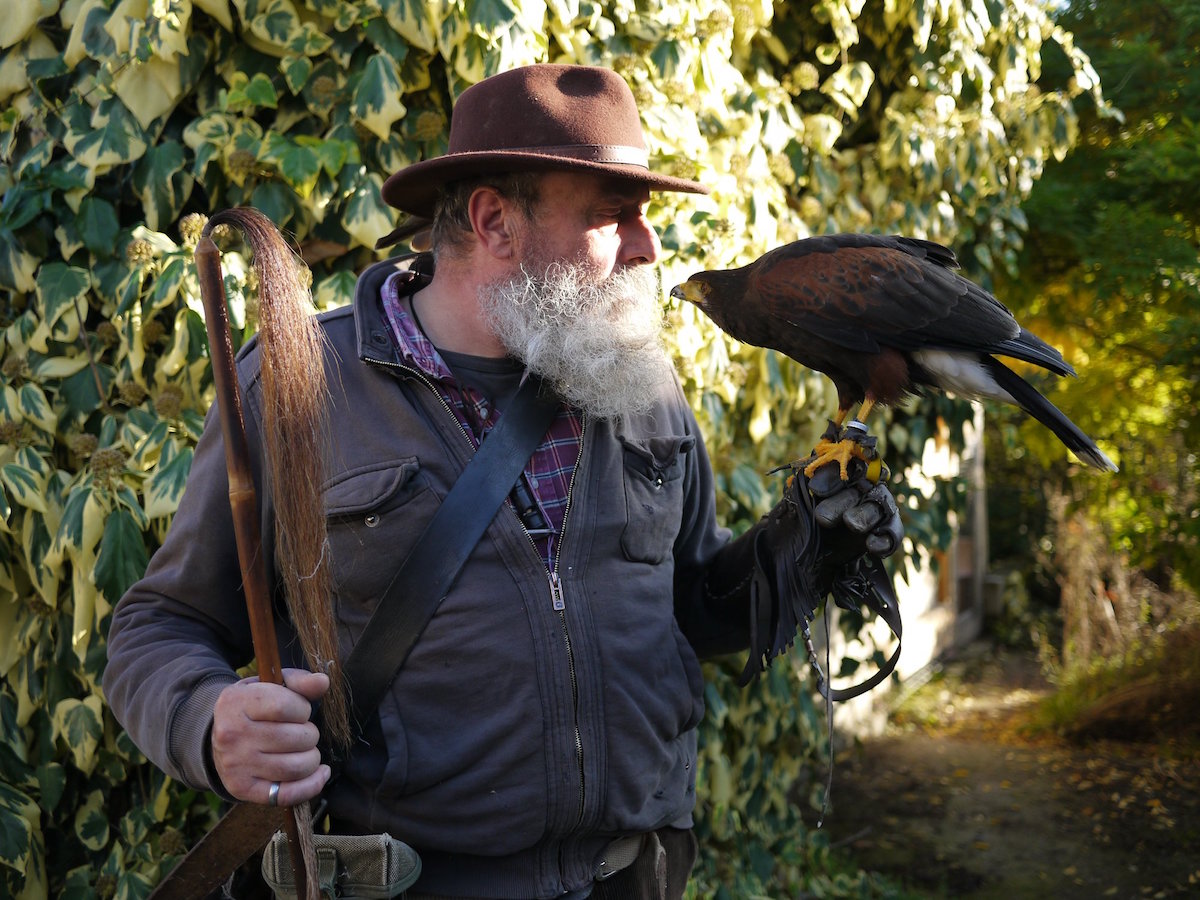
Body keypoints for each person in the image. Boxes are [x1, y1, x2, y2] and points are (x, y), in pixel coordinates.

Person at [104, 64, 902, 899]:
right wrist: (205, 720)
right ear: (494, 221)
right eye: (611, 216)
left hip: (631, 881)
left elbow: (692, 610)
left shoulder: (638, 383)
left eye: (644, 216)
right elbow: (159, 626)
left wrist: (803, 545)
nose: (648, 246)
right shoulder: (300, 388)